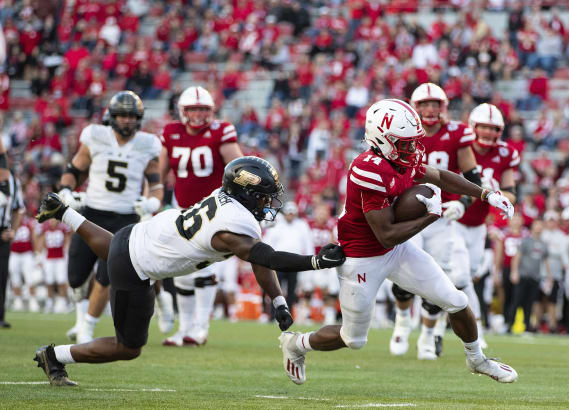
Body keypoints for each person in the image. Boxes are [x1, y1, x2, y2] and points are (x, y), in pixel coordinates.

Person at [33, 156, 345, 386]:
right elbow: (265, 256)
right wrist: (314, 261)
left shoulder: (226, 202)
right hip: (137, 264)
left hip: (137, 235)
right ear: (246, 194)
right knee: (127, 347)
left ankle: (64, 213)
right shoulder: (234, 225)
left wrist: (278, 302)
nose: (268, 201)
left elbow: (258, 258)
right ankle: (54, 355)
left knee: (118, 247)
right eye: (263, 195)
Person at [278, 99, 517, 386]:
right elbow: (386, 233)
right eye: (405, 143)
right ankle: (296, 344)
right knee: (353, 339)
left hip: (395, 250)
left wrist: (485, 194)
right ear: (382, 139)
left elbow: (439, 176)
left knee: (456, 300)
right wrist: (431, 217)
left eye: (413, 142)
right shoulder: (368, 169)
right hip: (362, 257)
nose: (413, 149)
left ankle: (477, 359)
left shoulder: (402, 158)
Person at [56, 90, 164, 344]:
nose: (127, 120)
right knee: (75, 276)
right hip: (91, 213)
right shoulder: (96, 136)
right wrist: (65, 190)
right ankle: (81, 320)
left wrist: (153, 201)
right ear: (112, 116)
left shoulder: (148, 144)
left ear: (139, 118)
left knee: (106, 276)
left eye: (131, 115)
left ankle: (87, 328)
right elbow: (74, 168)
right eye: (122, 115)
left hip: (124, 219)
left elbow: (156, 184)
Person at [389, 83, 483, 361]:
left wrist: (462, 202)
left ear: (443, 107)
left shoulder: (457, 133)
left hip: (441, 218)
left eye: (435, 104)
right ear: (414, 106)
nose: (430, 110)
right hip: (407, 215)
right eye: (425, 104)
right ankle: (403, 322)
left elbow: (474, 179)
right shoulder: (399, 131)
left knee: (439, 277)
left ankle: (428, 336)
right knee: (403, 272)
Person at [159, 85, 243, 346]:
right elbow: (159, 173)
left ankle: (201, 327)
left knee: (204, 268)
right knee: (182, 271)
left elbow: (237, 168)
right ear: (182, 111)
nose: (197, 114)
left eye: (203, 109)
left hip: (213, 210)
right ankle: (185, 328)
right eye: (192, 109)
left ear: (212, 111)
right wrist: (150, 197)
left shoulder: (221, 131)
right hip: (184, 210)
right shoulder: (171, 132)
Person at [456, 103, 519, 341]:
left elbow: (511, 192)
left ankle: (439, 324)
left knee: (466, 278)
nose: (488, 133)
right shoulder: (461, 147)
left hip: (478, 226)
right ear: (473, 127)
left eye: (494, 129)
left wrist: (496, 194)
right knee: (460, 278)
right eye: (484, 127)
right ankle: (476, 331)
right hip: (453, 220)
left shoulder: (505, 153)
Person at [263, 201, 314, 322]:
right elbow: (269, 242)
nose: (290, 216)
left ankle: (288, 316)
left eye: (292, 213)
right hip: (279, 262)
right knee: (276, 290)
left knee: (292, 291)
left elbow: (307, 245)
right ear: (284, 213)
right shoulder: (277, 224)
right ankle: (273, 316)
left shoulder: (302, 225)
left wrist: (308, 262)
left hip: (295, 262)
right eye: (288, 213)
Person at [508, 219, 551, 333]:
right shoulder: (526, 241)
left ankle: (526, 326)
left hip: (535, 277)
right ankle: (509, 325)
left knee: (530, 303)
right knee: (516, 301)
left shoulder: (543, 244)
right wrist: (514, 272)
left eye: (541, 225)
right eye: (537, 225)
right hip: (523, 276)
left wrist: (548, 278)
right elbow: (517, 257)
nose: (539, 227)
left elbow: (546, 262)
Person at [0, 168, 25, 328]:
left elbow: (18, 208)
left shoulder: (13, 182)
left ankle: (0, 316)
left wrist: (13, 231)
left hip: (3, 232)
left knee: (2, 276)